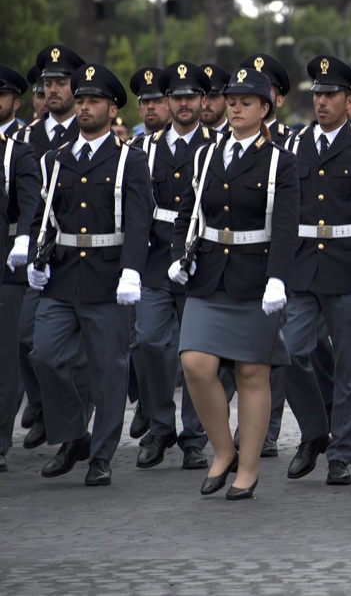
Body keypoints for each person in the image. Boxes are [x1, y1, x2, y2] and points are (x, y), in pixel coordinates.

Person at [170, 67, 299, 500]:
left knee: (250, 372)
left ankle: (247, 469)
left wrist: (278, 279)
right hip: (209, 275)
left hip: (256, 277)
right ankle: (222, 450)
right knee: (195, 363)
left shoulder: (281, 160)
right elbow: (188, 211)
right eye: (233, 100)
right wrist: (178, 256)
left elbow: (284, 228)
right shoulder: (207, 155)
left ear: (266, 108)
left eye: (248, 101)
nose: (237, 107)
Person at [28, 63, 153, 486]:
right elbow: (43, 217)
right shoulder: (56, 159)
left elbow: (138, 222)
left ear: (112, 107)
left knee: (108, 371)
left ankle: (100, 455)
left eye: (93, 101)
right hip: (63, 276)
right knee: (43, 352)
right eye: (79, 100)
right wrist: (34, 258)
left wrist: (132, 272)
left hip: (108, 276)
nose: (83, 107)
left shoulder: (129, 161)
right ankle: (73, 435)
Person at [280, 55, 351, 486]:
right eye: (317, 94)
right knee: (290, 349)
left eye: (331, 95)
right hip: (304, 264)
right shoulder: (293, 144)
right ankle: (314, 432)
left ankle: (340, 452)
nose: (322, 102)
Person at [128, 62, 221, 472]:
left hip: (201, 261)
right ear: (166, 103)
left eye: (191, 97)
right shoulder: (143, 148)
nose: (184, 104)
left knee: (196, 355)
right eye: (176, 98)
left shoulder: (218, 146)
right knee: (148, 341)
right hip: (154, 259)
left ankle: (194, 438)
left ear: (203, 101)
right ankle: (160, 423)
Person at [15, 45, 85, 450]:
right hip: (38, 250)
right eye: (47, 84)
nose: (53, 90)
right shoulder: (29, 137)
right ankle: (43, 407)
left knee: (78, 353)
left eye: (60, 83)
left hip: (80, 251)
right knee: (28, 338)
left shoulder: (88, 131)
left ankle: (70, 426)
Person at [0, 64, 40, 473]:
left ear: (16, 101)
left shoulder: (18, 148)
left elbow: (29, 201)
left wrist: (24, 239)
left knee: (5, 352)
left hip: (6, 258)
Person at [198, 64, 230, 133]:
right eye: (202, 97)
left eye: (213, 97)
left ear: (226, 100)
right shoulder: (186, 138)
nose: (206, 104)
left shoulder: (237, 136)